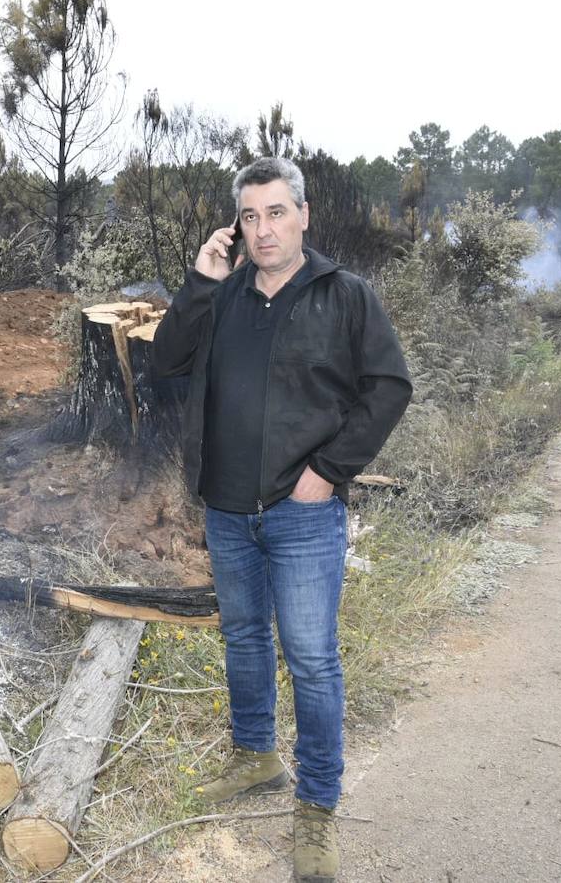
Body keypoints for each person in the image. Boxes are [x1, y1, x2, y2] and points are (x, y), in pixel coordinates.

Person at [150, 157, 412, 882]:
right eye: (251, 217)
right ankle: (255, 755)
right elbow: (166, 363)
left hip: (301, 517)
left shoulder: (344, 296)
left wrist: (327, 473)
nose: (264, 229)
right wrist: (200, 282)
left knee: (313, 660)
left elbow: (389, 387)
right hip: (227, 509)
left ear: (303, 215)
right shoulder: (225, 293)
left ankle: (318, 807)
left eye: (276, 212)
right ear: (239, 226)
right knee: (242, 638)